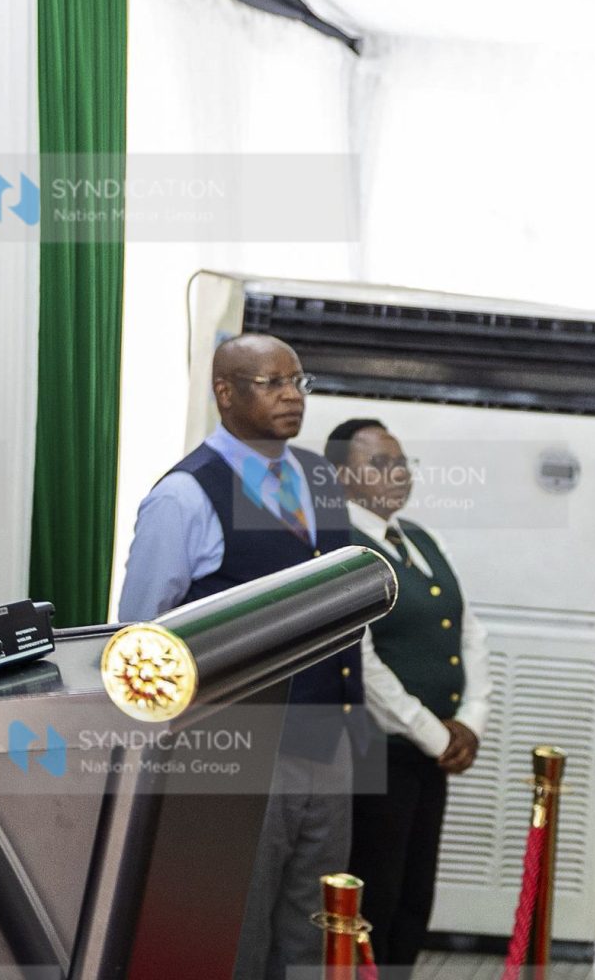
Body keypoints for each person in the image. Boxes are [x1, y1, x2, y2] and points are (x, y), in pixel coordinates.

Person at [116, 334, 363, 980]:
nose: (291, 397)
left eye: (298, 382)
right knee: (237, 937)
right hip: (240, 749)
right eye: (271, 383)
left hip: (329, 743)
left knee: (316, 932)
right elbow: (140, 641)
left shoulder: (319, 476)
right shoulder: (184, 496)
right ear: (224, 392)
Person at [329, 417, 491, 974]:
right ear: (341, 475)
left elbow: (469, 632)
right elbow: (362, 660)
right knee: (376, 892)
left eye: (402, 463)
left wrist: (470, 720)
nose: (397, 474)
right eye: (380, 463)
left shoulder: (423, 538)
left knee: (415, 895)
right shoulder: (342, 548)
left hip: (432, 752)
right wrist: (433, 732)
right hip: (378, 753)